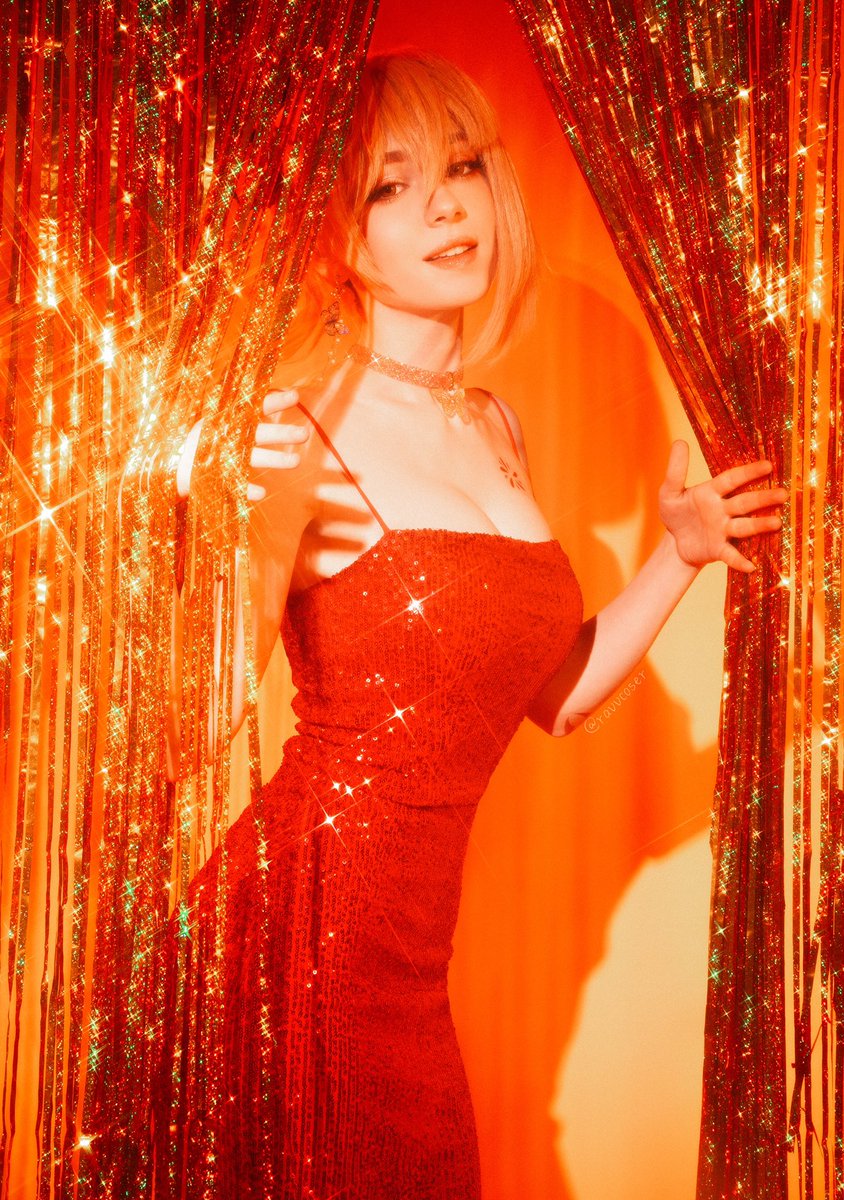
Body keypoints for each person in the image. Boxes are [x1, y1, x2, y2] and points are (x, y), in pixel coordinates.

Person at [167, 50, 786, 1199]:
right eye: (389, 185)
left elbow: (555, 697)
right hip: (294, 937)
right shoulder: (290, 420)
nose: (444, 206)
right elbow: (197, 724)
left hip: (405, 960)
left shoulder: (494, 422)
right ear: (336, 230)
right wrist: (229, 527)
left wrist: (681, 551)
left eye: (460, 167)